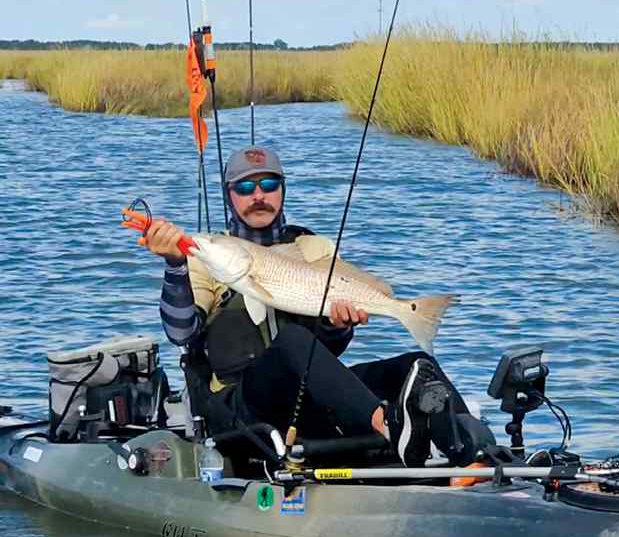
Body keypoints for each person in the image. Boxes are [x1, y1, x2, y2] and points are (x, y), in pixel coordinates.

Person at [146, 146, 478, 466]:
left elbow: (330, 346)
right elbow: (180, 332)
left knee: (416, 364)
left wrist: (339, 325)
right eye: (245, 187)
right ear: (229, 195)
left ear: (282, 190)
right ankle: (388, 425)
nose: (258, 195)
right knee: (291, 342)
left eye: (269, 184)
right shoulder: (206, 257)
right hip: (243, 405)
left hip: (308, 397)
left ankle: (480, 456)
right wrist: (175, 266)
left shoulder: (313, 247)